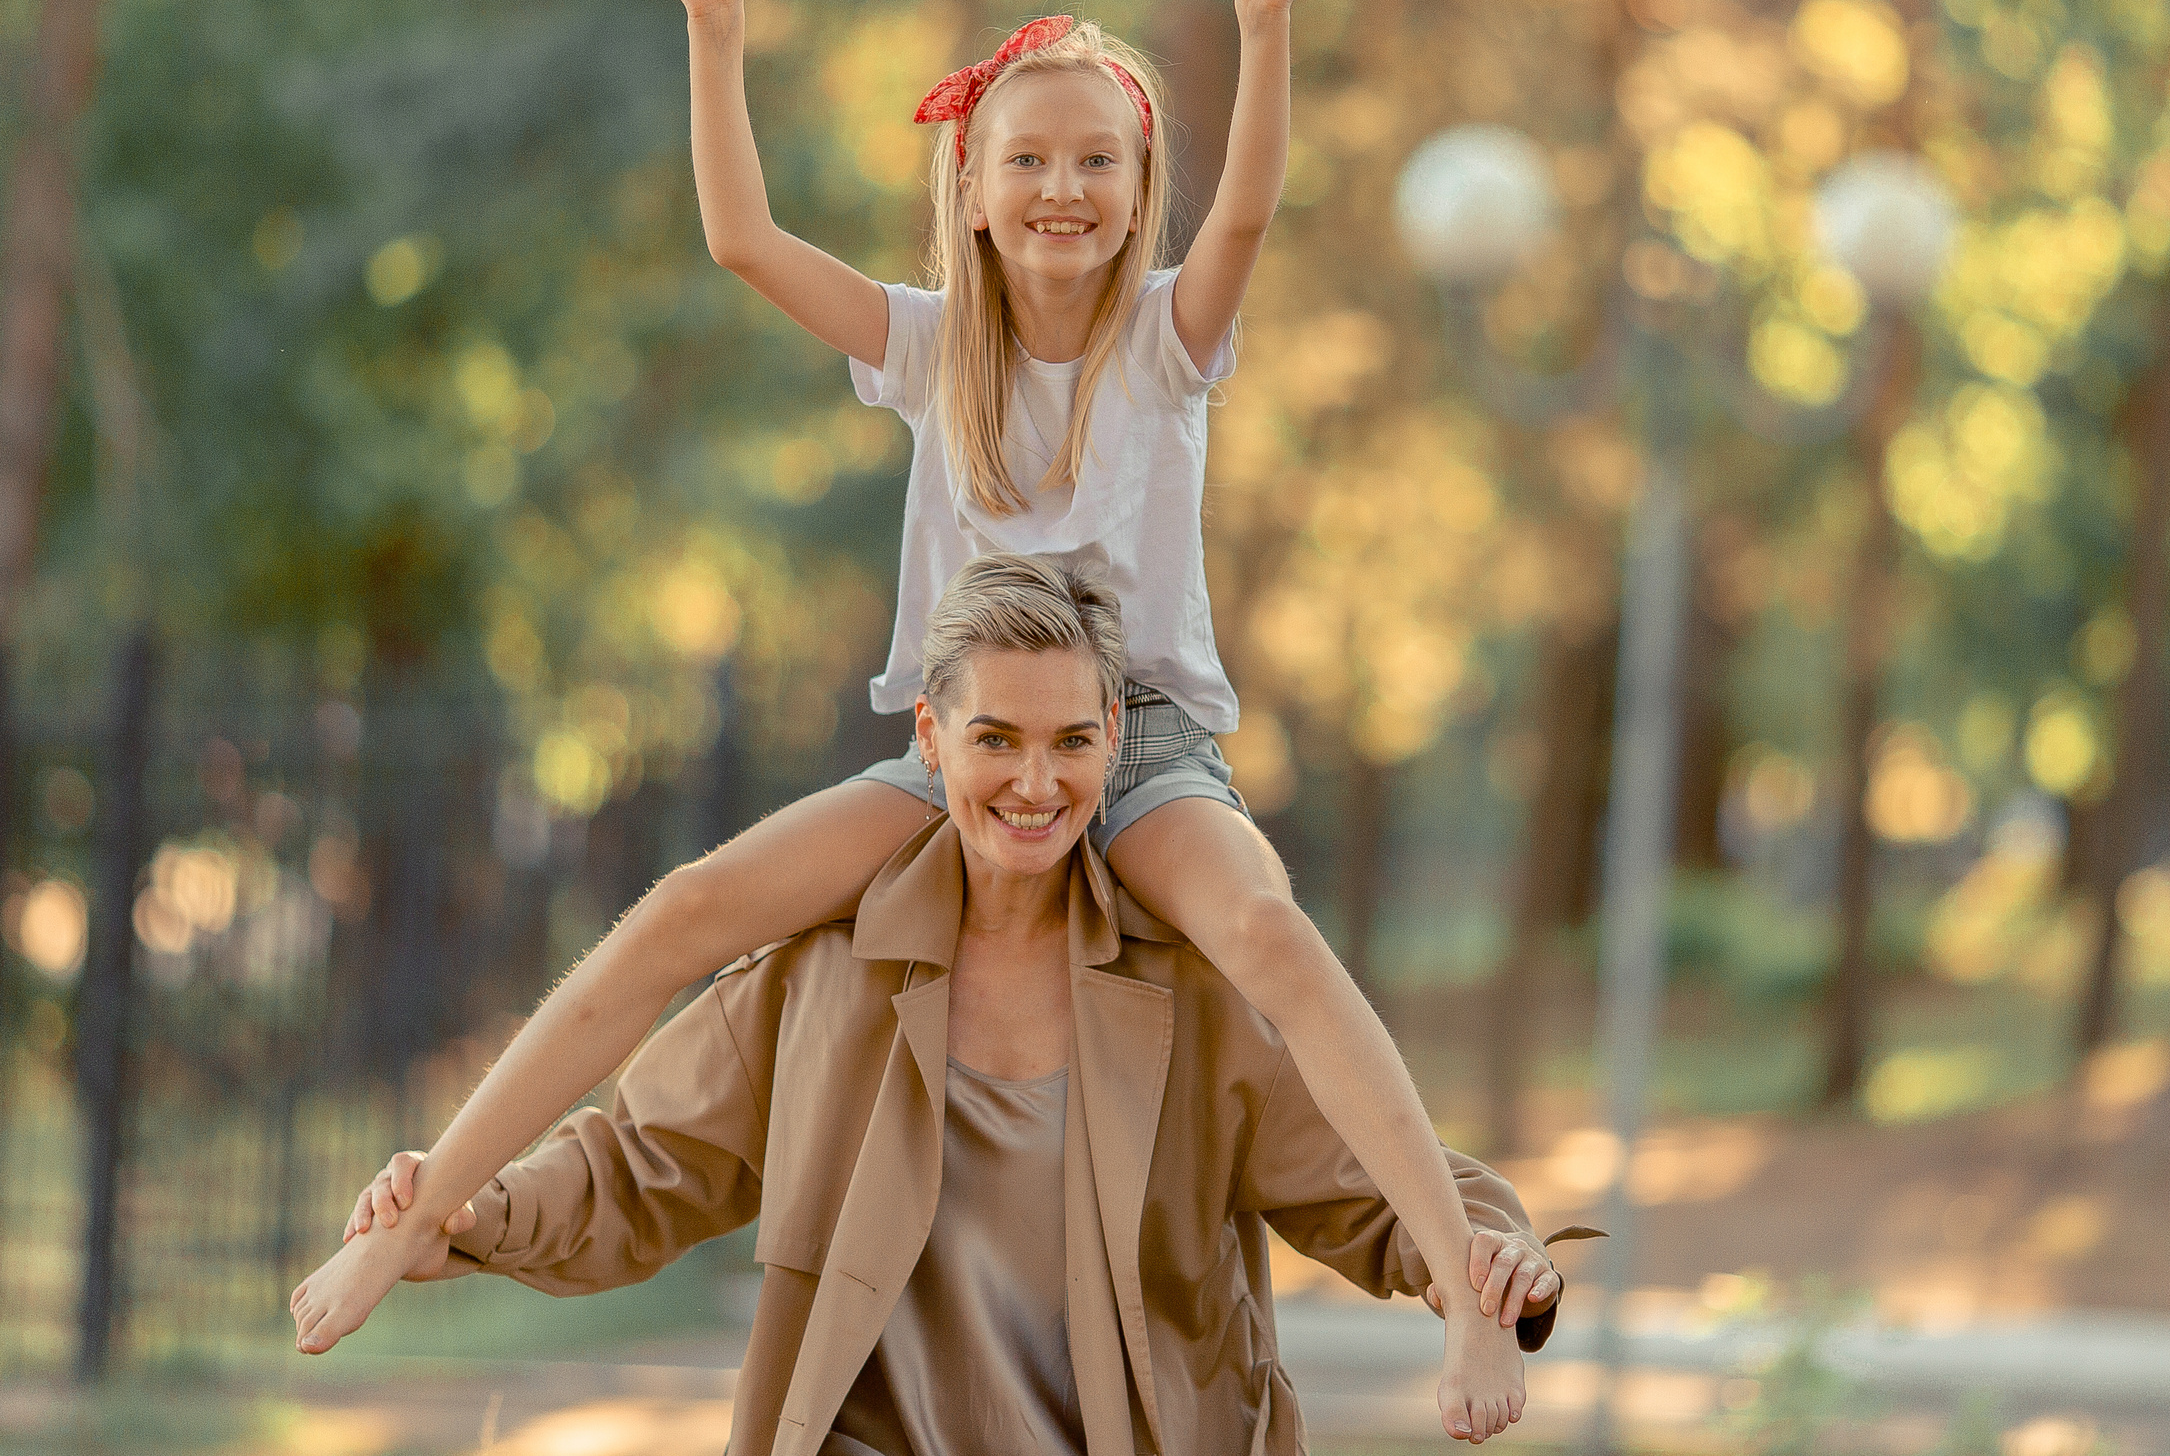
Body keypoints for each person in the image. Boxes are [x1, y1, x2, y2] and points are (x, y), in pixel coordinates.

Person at [290, 0, 1541, 1437]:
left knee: (1268, 934)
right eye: (1029, 159)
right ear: (972, 186)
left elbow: (1253, 203)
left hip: (1140, 744)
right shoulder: (928, 343)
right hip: (958, 749)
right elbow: (743, 238)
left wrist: (1264, 19)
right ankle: (417, 1206)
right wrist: (717, 26)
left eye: (1098, 160)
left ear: (1139, 185)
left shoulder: (1170, 339)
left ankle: (1463, 1303)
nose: (1064, 188)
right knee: (684, 907)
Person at [352, 555, 1572, 1455]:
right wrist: (473, 1215)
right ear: (929, 739)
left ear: (1114, 741)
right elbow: (641, 1167)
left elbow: (1372, 1183)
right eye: (996, 739)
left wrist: (1492, 1262)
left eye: (1071, 742)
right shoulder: (821, 977)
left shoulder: (1194, 995)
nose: (1035, 785)